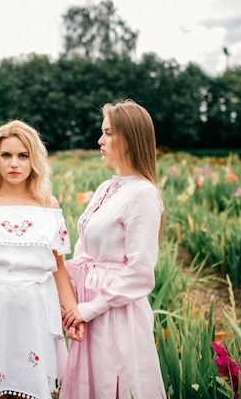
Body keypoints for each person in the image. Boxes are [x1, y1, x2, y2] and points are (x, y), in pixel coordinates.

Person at [0, 119, 84, 399]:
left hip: (34, 310)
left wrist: (74, 314)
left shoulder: (48, 205)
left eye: (23, 156)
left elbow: (57, 267)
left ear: (34, 160)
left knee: (30, 391)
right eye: (6, 155)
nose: (14, 164)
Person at [60, 100, 167, 399]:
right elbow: (83, 250)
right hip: (87, 308)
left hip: (116, 314)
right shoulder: (106, 188)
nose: (100, 140)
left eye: (108, 133)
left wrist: (88, 309)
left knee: (115, 384)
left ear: (130, 137)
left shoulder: (143, 194)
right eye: (101, 132)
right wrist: (68, 304)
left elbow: (139, 273)